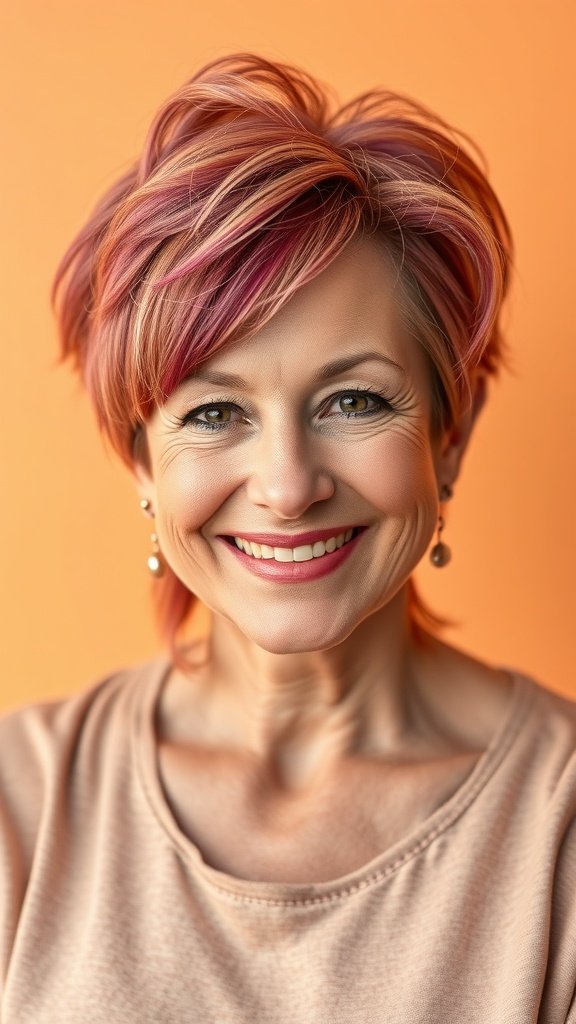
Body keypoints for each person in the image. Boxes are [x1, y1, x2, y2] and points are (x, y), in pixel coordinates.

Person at [1, 52, 575, 1023]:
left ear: (453, 431)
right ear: (142, 459)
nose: (287, 486)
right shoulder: (22, 803)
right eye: (214, 414)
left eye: (353, 400)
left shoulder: (558, 835)